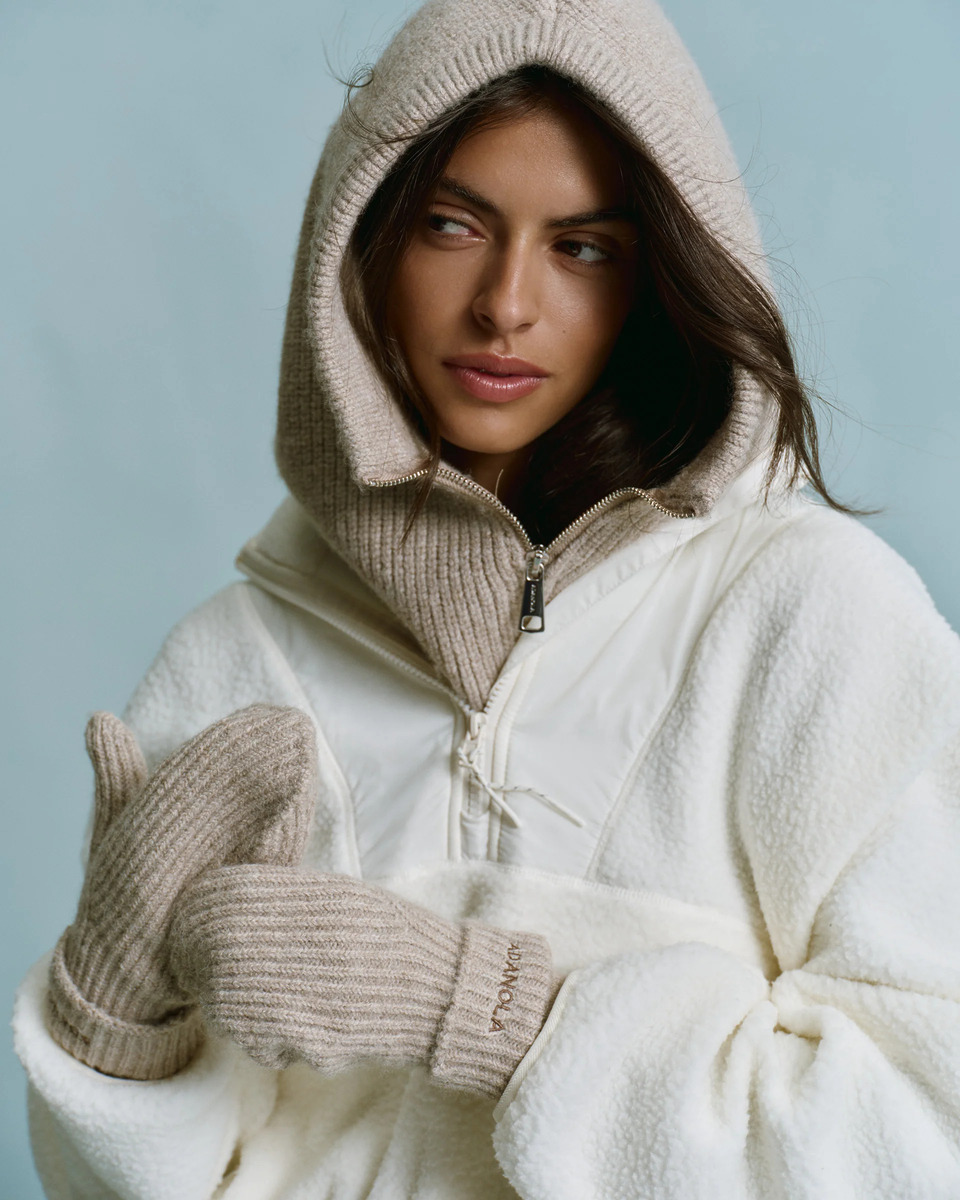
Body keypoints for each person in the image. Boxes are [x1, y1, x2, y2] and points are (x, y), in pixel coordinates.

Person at [13, 0, 960, 1194]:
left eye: (583, 247)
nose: (506, 303)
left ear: (657, 276)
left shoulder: (810, 619)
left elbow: (924, 1136)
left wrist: (493, 1014)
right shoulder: (234, 662)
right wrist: (115, 1034)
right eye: (454, 225)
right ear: (365, 241)